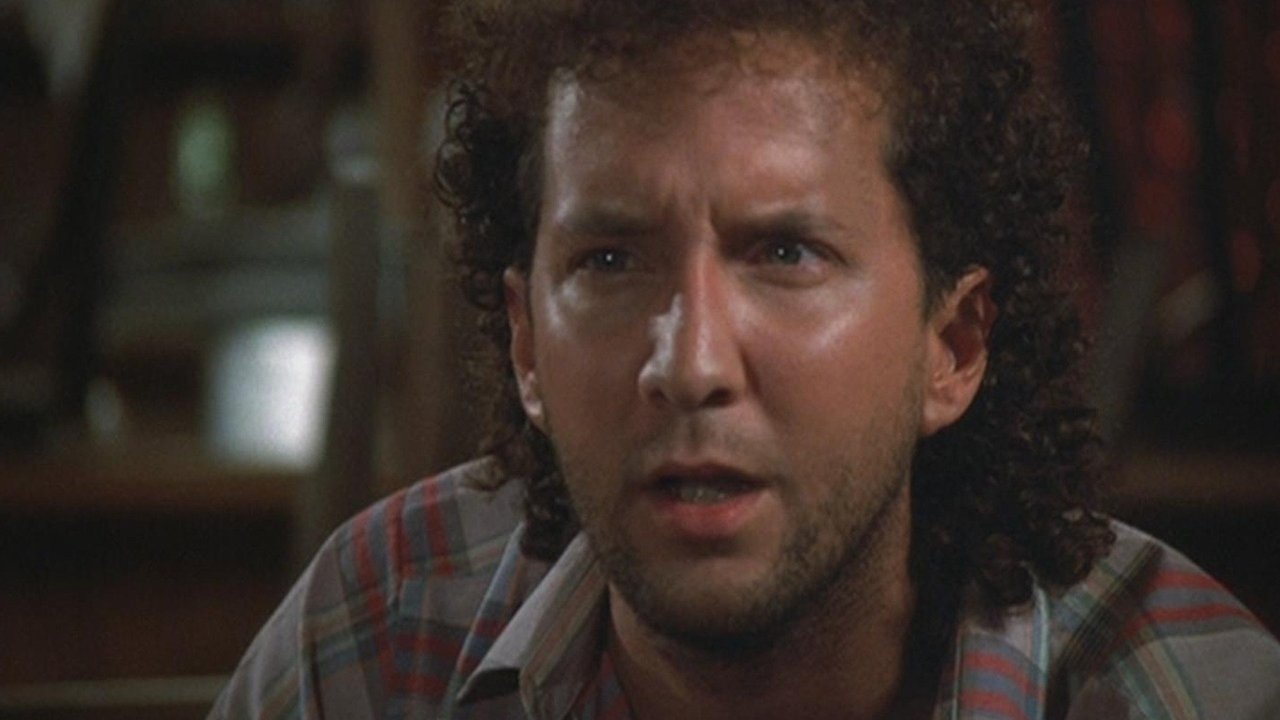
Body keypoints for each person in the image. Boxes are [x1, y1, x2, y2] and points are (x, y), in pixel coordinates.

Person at [211, 1, 1280, 718]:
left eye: (785, 254)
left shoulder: (1175, 693)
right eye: (610, 260)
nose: (690, 365)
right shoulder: (378, 638)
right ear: (527, 342)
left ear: (951, 347)